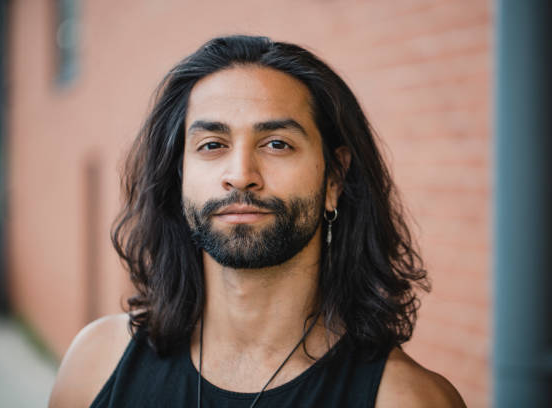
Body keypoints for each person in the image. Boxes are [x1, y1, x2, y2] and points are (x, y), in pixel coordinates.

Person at [49, 35, 466, 407]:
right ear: (179, 177)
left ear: (334, 178)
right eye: (212, 144)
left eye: (276, 143)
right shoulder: (96, 364)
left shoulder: (407, 399)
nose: (241, 173)